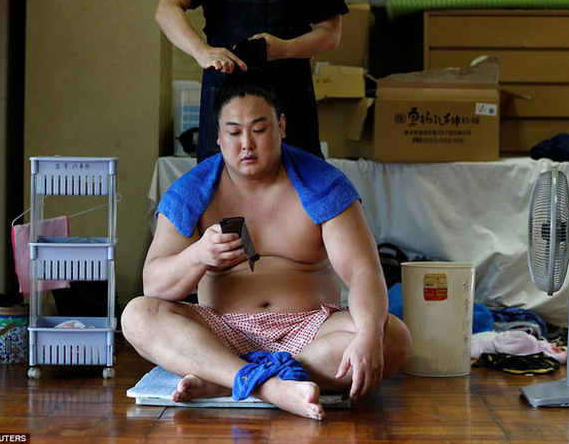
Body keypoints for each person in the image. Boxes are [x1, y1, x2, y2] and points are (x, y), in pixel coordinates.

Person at [122, 71, 411, 421]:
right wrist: (198, 255)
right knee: (137, 316)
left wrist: (367, 334)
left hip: (310, 331)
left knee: (392, 337)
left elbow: (363, 271)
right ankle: (274, 386)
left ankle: (224, 379)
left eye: (259, 130)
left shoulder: (322, 183)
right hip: (222, 329)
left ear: (281, 126)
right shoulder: (192, 190)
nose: (247, 144)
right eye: (234, 133)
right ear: (218, 136)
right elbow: (154, 285)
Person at [155, 0, 348, 162]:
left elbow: (331, 32)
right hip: (226, 85)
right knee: (220, 178)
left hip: (290, 89)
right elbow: (166, 8)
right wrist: (201, 51)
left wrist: (285, 48)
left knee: (301, 175)